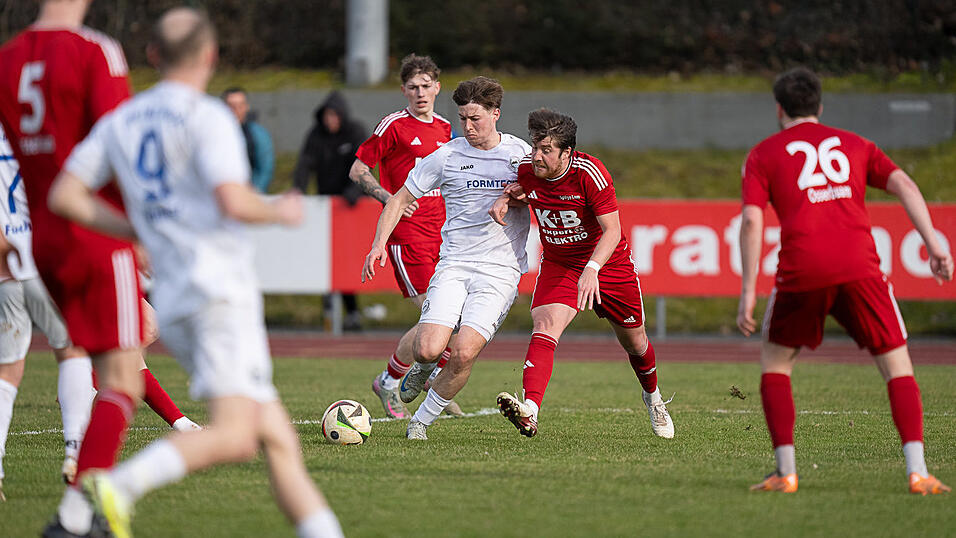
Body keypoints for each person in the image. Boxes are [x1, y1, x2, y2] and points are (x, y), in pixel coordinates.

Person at [47, 8, 343, 537]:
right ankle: (114, 488)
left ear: (154, 56)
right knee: (236, 437)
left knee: (277, 436)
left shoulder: (123, 119)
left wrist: (136, 227)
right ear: (211, 56)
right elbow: (232, 199)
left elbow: (65, 195)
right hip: (217, 293)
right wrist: (281, 210)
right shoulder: (208, 118)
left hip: (175, 296)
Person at [0, 0, 196, 524]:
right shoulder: (95, 50)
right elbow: (119, 147)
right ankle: (76, 513)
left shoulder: (9, 57)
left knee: (90, 353)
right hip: (91, 230)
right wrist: (140, 231)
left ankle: (75, 504)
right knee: (122, 376)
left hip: (40, 237)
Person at [737, 67, 953, 495]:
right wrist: (934, 244)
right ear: (820, 106)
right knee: (897, 366)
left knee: (777, 363)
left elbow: (750, 219)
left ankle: (786, 472)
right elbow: (905, 184)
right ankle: (918, 472)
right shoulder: (855, 144)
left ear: (779, 110)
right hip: (860, 267)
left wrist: (747, 292)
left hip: (803, 269)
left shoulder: (763, 154)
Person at [489, 109, 675, 439]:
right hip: (560, 264)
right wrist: (506, 198)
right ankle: (530, 409)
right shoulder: (528, 172)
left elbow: (612, 230)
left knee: (636, 342)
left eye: (546, 150)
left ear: (567, 153)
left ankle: (654, 398)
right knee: (545, 326)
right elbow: (524, 191)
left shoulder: (590, 173)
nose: (537, 156)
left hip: (609, 264)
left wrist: (592, 269)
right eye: (535, 148)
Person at [362, 76, 531, 440]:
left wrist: (513, 196)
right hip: (454, 264)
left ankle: (420, 422)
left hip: (500, 271)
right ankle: (421, 369)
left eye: (476, 119)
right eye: (462, 119)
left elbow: (549, 191)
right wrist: (378, 244)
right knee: (426, 348)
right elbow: (399, 199)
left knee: (464, 353)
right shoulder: (448, 155)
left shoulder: (519, 155)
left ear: (495, 114)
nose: (467, 128)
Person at [350, 53, 463, 419]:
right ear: (403, 90)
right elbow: (358, 169)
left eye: (426, 86)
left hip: (442, 234)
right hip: (407, 235)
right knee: (438, 318)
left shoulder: (447, 129)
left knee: (452, 318)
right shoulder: (393, 126)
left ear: (437, 87)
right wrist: (389, 198)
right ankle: (393, 380)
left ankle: (418, 380)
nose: (419, 93)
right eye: (412, 87)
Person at [0, 123, 90, 503]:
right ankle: (75, 452)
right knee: (73, 350)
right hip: (42, 256)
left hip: (4, 261)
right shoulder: (36, 127)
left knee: (7, 369)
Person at [295, 90, 367, 331]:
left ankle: (352, 312)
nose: (330, 120)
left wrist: (353, 193)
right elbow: (305, 164)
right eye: (327, 115)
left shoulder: (355, 132)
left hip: (351, 209)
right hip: (325, 209)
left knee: (347, 262)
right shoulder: (316, 136)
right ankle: (330, 311)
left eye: (335, 115)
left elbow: (365, 167)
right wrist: (298, 191)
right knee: (324, 261)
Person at [222, 87, 274, 193]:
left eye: (240, 105)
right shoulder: (212, 133)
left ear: (246, 107)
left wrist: (254, 193)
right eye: (231, 106)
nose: (236, 110)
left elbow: (265, 168)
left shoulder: (258, 134)